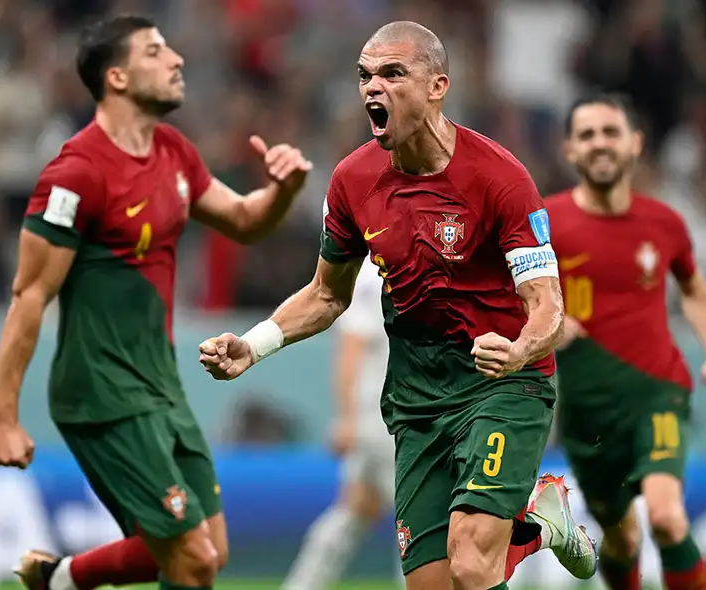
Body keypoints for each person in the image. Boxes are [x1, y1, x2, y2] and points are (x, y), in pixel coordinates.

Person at [198, 21, 597, 590]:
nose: (372, 88)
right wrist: (255, 343)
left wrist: (517, 352)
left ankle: (519, 523)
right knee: (437, 582)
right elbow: (326, 294)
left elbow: (547, 306)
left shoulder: (501, 178)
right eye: (364, 76)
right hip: (417, 402)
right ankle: (535, 524)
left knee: (471, 560)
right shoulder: (353, 181)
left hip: (504, 386)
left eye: (391, 73)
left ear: (438, 86)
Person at [0, 15, 312, 590]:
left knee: (209, 551)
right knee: (193, 559)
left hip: (161, 385)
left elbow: (242, 220)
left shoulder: (172, 152)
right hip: (102, 392)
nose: (176, 59)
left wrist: (281, 191)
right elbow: (30, 295)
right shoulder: (76, 174)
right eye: (156, 52)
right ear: (116, 76)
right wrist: (3, 418)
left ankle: (57, 579)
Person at [546, 93, 706, 590]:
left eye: (611, 132)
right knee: (622, 541)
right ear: (569, 149)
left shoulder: (664, 223)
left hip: (658, 391)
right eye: (587, 135)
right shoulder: (545, 225)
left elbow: (694, 289)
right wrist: (548, 320)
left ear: (635, 145)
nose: (600, 144)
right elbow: (513, 296)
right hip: (587, 410)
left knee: (668, 519)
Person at [281, 258, 400, 590]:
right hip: (385, 416)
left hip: (382, 412)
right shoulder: (376, 271)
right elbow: (351, 345)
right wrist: (347, 418)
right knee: (417, 515)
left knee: (358, 506)